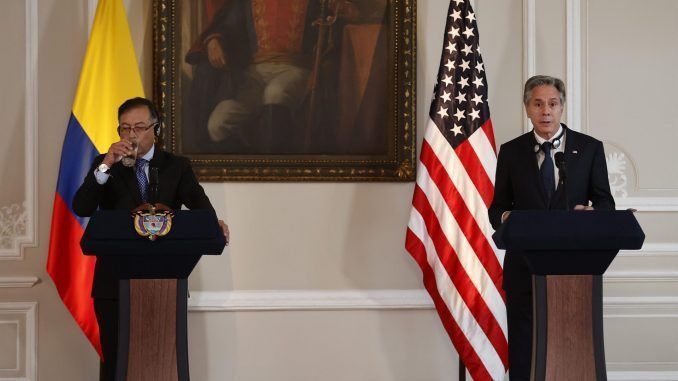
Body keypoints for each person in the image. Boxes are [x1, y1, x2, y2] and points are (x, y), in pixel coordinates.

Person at [72, 97, 229, 381]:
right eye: (124, 128)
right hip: (113, 285)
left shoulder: (176, 167)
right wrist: (107, 165)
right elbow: (82, 207)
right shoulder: (105, 166)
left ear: (155, 129)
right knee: (116, 363)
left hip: (166, 281)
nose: (131, 135)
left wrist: (214, 223)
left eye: (139, 127)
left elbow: (201, 209)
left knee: (163, 361)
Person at [488, 75, 615, 380]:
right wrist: (506, 217)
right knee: (524, 349)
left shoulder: (589, 148)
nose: (546, 111)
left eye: (553, 104)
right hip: (523, 269)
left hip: (575, 271)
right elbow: (497, 208)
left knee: (573, 348)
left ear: (562, 108)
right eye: (538, 104)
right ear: (527, 109)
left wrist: (591, 212)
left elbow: (606, 204)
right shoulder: (511, 151)